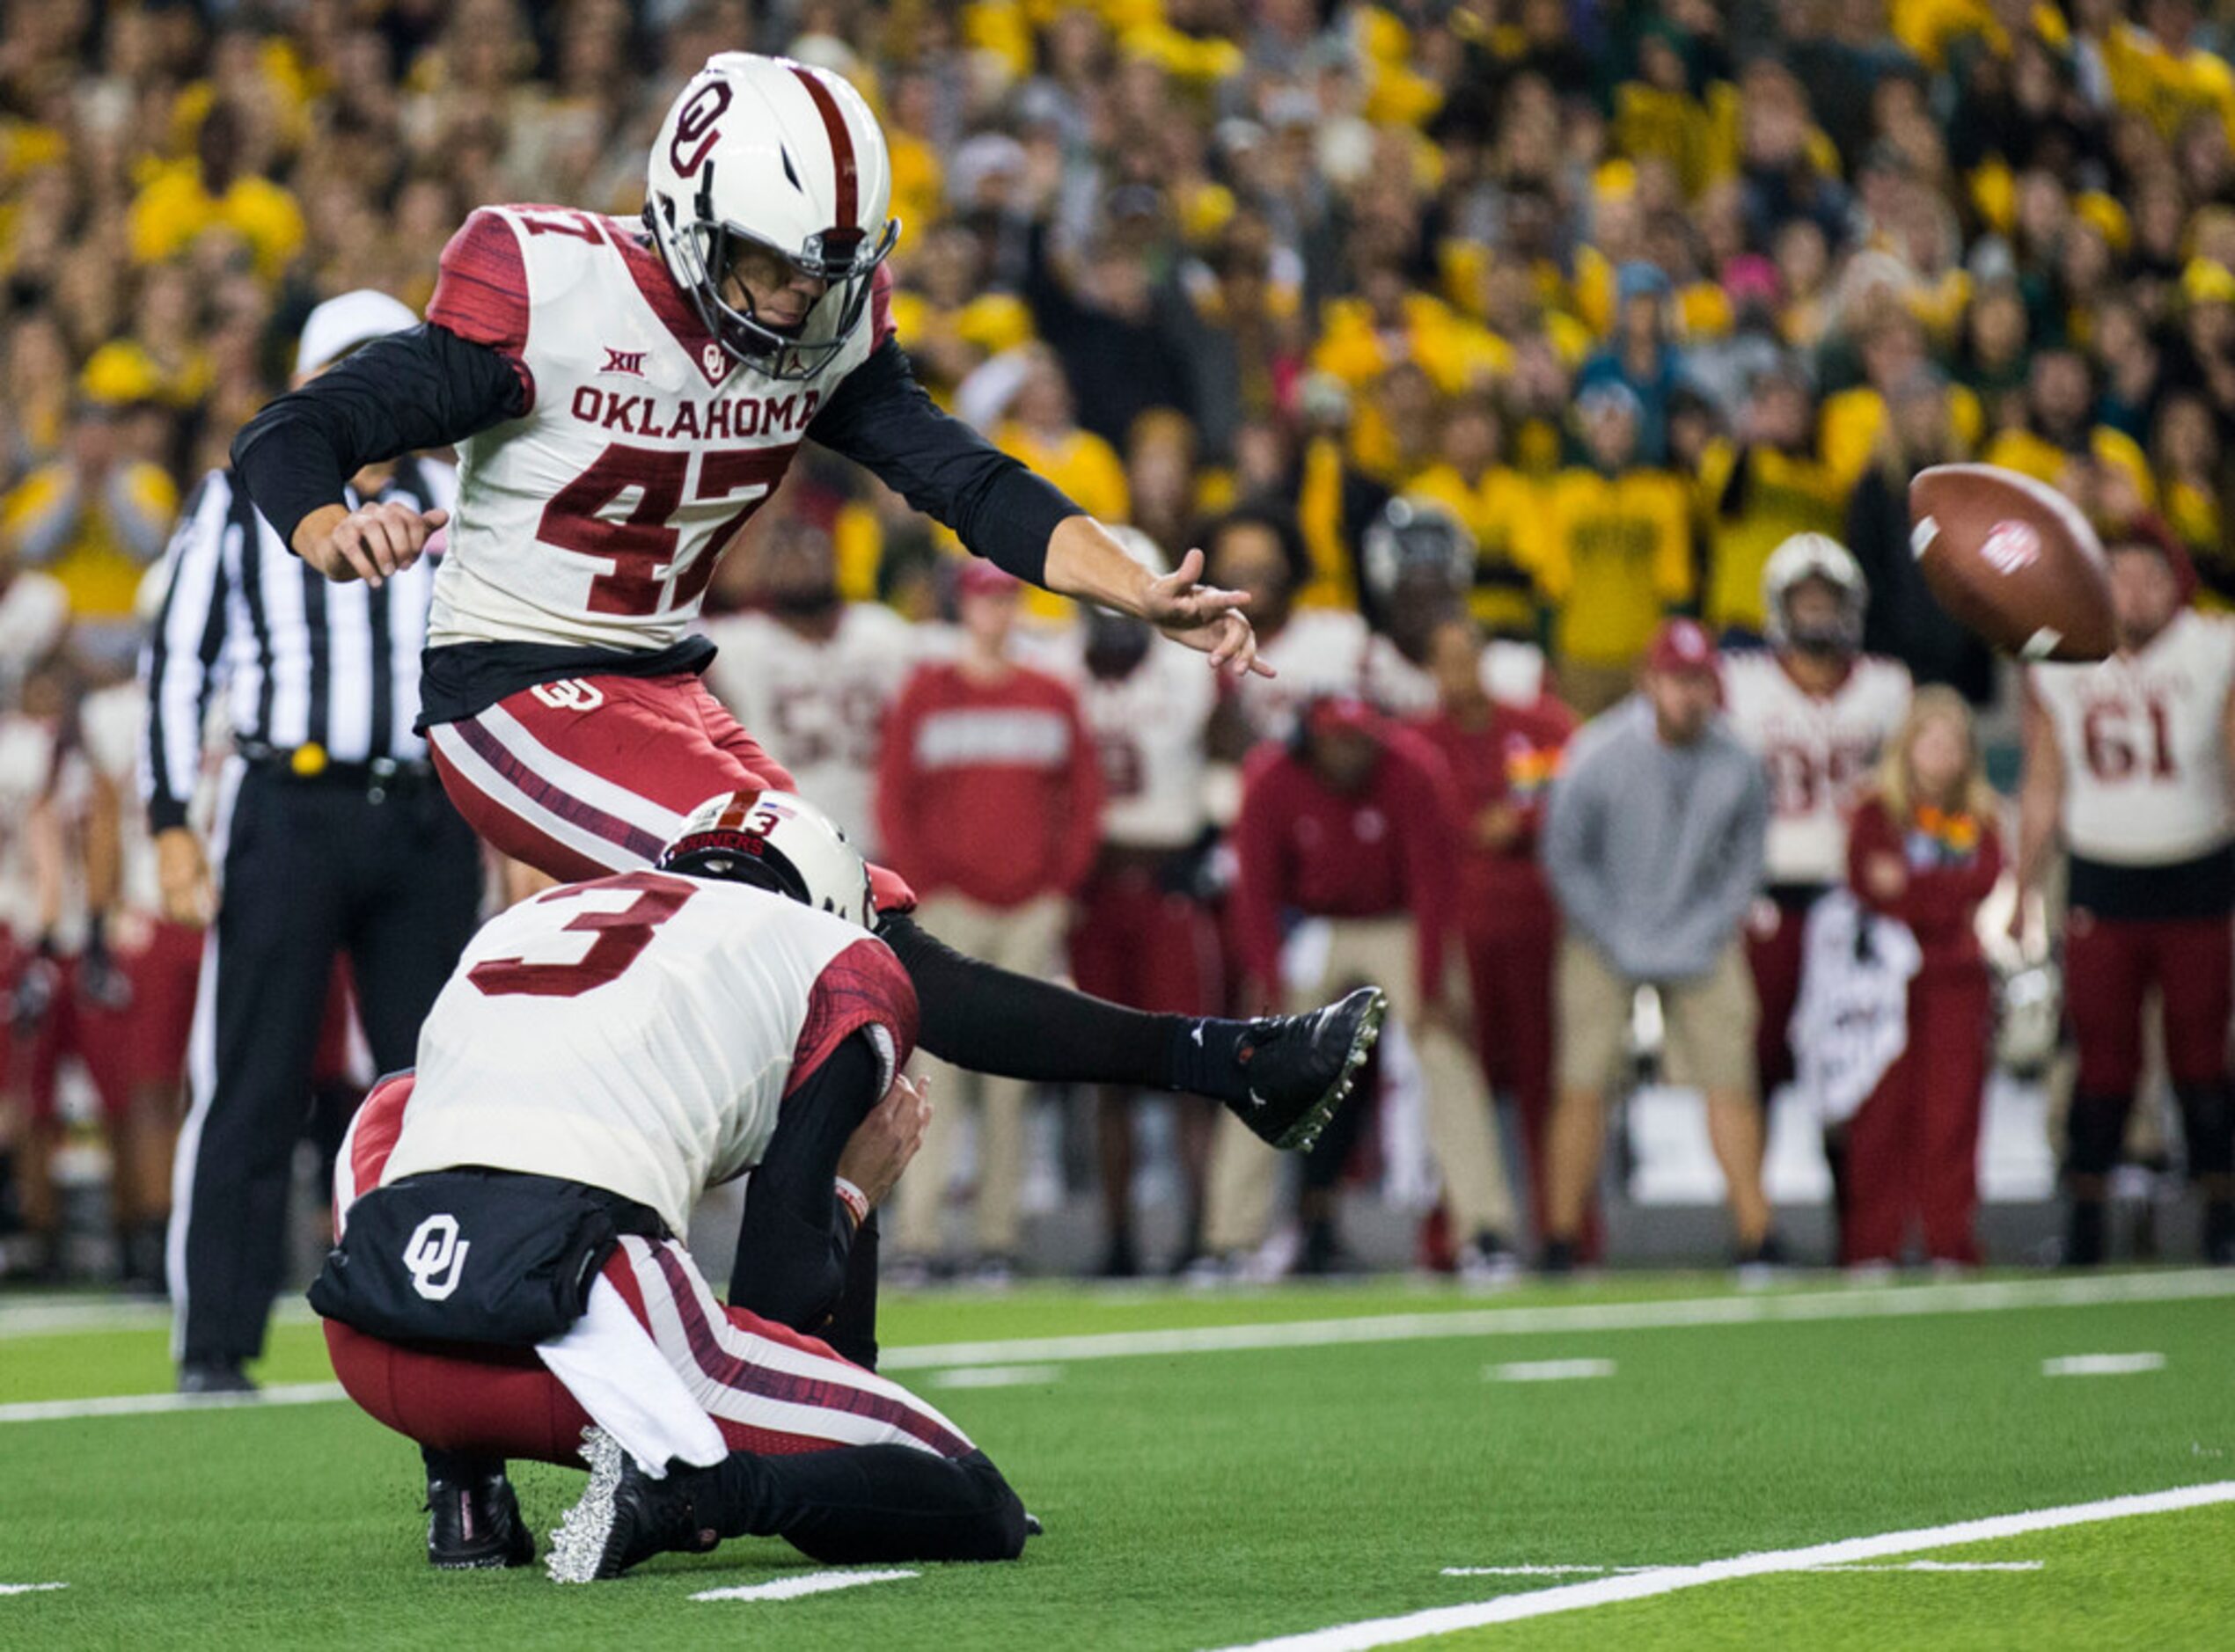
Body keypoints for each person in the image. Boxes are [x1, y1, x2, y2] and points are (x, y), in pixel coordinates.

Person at [225, 51, 1381, 1179]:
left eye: (820, 271)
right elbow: (291, 433)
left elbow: (965, 481)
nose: (794, 297)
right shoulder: (555, 293)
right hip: (515, 689)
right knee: (831, 932)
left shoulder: (826, 322)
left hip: (665, 685)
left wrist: (1134, 582)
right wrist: (328, 525)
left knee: (868, 973)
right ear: (688, 217)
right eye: (770, 264)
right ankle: (1224, 1063)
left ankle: (826, 1340)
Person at [316, 791, 1030, 1580]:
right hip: (586, 1337)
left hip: (378, 1335)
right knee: (977, 1499)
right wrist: (853, 1194)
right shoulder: (835, 959)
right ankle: (690, 1496)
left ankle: (465, 1493)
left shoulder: (530, 918)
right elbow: (780, 1303)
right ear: (831, 906)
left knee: (404, 1107)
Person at [143, 290, 484, 1393]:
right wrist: (166, 820)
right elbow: (177, 660)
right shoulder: (247, 496)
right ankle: (215, 1344)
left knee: (441, 1080)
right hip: (288, 805)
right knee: (251, 1076)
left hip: (427, 812)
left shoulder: (460, 496)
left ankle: (445, 1314)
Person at [1209, 696, 1506, 1279]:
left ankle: (1485, 1228)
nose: (1350, 751)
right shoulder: (1273, 777)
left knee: (1445, 1053)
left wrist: (1428, 989)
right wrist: (1266, 980)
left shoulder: (1410, 770)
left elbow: (1433, 887)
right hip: (1313, 924)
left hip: (1400, 923)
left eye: (1358, 738)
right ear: (1311, 739)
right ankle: (1228, 1236)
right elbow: (1256, 893)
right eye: (1337, 739)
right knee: (1257, 1060)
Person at [876, 560, 1103, 1280]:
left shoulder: (1051, 696)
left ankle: (997, 1238)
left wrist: (1058, 888)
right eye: (985, 600)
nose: (996, 613)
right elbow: (894, 798)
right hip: (948, 905)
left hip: (1027, 905)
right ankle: (919, 1236)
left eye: (1006, 599)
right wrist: (923, 890)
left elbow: (1084, 799)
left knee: (1008, 1081)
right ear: (965, 609)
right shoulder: (926, 694)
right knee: (932, 1073)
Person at [2017, 523, 2235, 1266]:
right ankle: (2085, 1219)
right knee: (2102, 1060)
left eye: (2148, 576)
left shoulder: (2212, 649)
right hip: (2101, 877)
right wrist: (2019, 888)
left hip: (2197, 867)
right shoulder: (2060, 660)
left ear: (2177, 583)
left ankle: (2221, 1214)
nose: (2133, 592)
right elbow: (2044, 782)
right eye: (2118, 576)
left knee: (2201, 1057)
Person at [1541, 619, 1774, 1274]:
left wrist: (1706, 928)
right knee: (1582, 1079)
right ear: (1649, 681)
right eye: (1677, 680)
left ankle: (1758, 1233)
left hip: (1699, 933)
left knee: (1730, 1075)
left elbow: (1746, 862)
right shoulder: (1597, 753)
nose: (1689, 695)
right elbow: (1564, 856)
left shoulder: (1739, 760)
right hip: (1604, 931)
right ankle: (1561, 1237)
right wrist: (1613, 932)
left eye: (1700, 680)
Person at [1053, 528, 1222, 1277]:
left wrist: (1210, 845)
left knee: (1190, 1068)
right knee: (1108, 1075)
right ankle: (1119, 1237)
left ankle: (1202, 1234)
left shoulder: (1188, 669)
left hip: (1168, 884)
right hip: (1094, 888)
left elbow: (1231, 758)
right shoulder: (1055, 668)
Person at [1722, 536, 1912, 1110]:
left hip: (1853, 892)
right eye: (1803, 601)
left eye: (1827, 600)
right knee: (1762, 1051)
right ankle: (1753, 1195)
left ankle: (1851, 1191)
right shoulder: (1740, 682)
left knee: (1852, 1051)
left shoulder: (1886, 686)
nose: (1817, 613)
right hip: (1769, 886)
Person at [1411, 616, 1576, 1246]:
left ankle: (1564, 1233)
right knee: (1454, 1089)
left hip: (1538, 925)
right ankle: (1453, 1238)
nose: (1459, 672)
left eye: (1467, 655)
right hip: (1458, 932)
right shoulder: (1419, 742)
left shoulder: (1538, 725)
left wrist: (1519, 822)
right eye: (1445, 659)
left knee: (1548, 1083)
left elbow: (1570, 801)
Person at [1840, 689, 2004, 1268]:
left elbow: (1980, 881)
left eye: (1952, 742)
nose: (1939, 754)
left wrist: (1909, 888)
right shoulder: (1874, 810)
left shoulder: (1980, 816)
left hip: (1957, 977)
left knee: (1952, 1114)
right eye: (1929, 740)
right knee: (1881, 1114)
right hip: (1883, 984)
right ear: (1907, 747)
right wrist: (1932, 893)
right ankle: (1872, 1243)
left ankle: (1948, 1239)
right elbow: (1865, 880)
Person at [701, 515, 923, 857]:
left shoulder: (879, 630)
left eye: (811, 551)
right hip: (790, 834)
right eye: (786, 554)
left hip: (877, 830)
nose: (800, 564)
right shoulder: (741, 640)